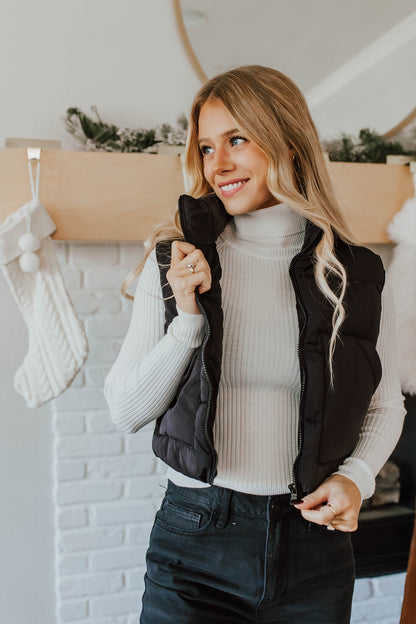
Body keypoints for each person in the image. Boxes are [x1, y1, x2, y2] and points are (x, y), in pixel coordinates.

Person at [104, 65, 406, 624]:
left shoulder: (354, 274)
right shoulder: (177, 261)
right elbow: (125, 411)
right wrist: (188, 319)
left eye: (237, 140)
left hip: (314, 552)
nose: (218, 165)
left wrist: (356, 478)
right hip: (194, 549)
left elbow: (385, 405)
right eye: (207, 147)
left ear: (288, 140)